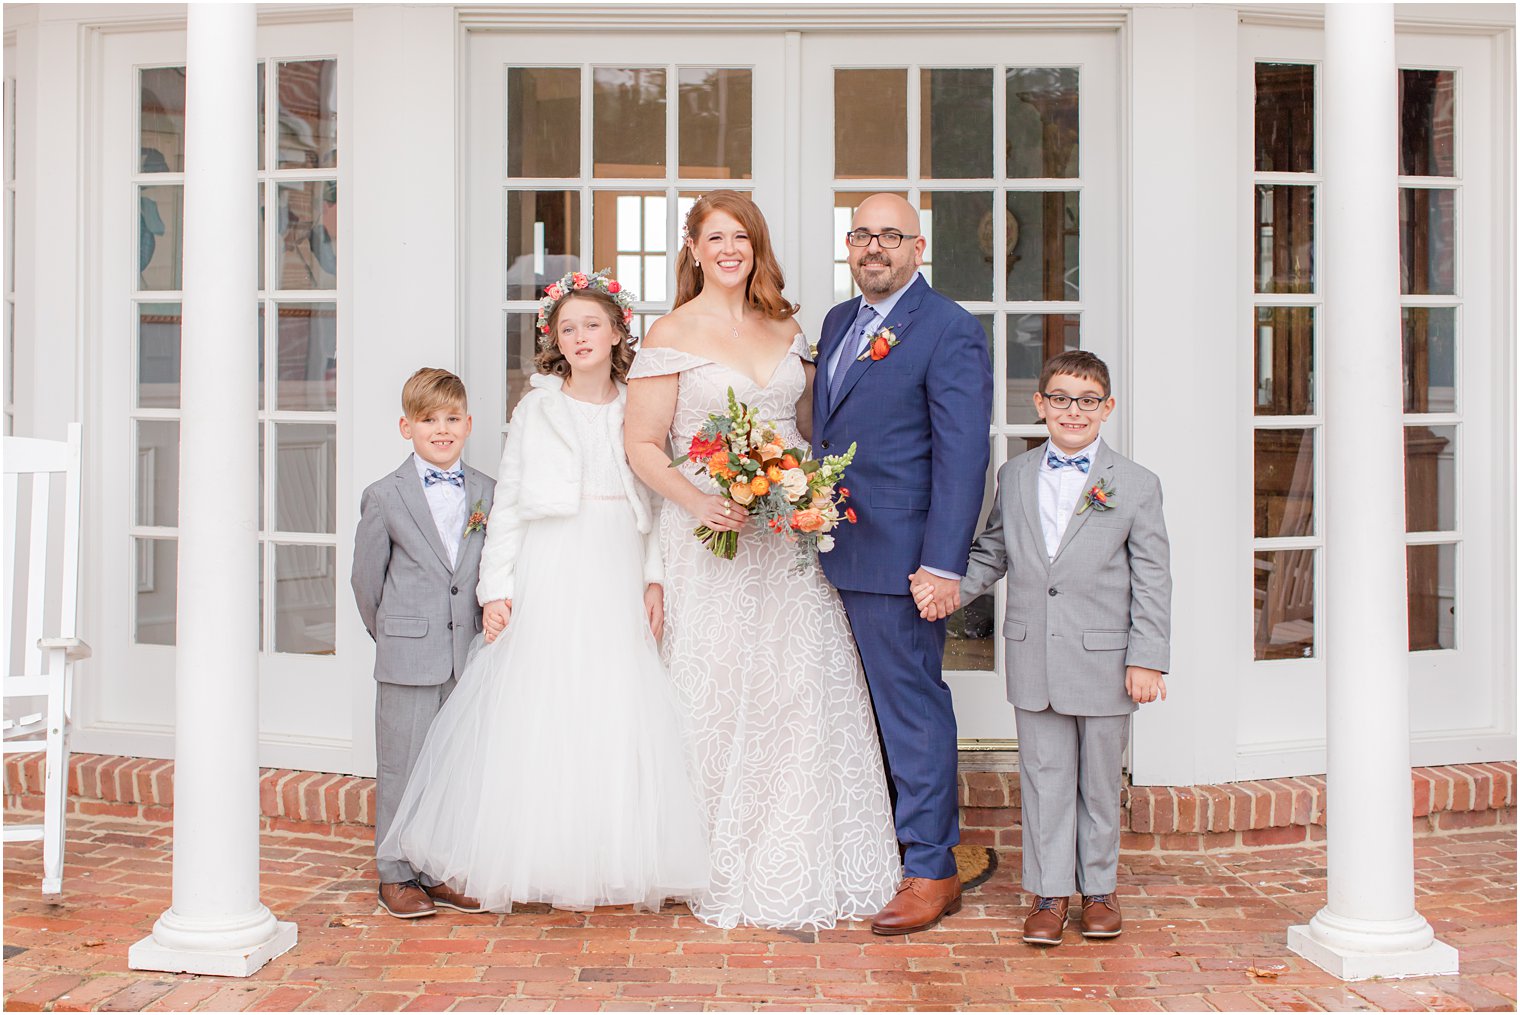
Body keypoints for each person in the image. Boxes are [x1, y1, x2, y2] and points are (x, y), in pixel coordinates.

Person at [376, 272, 709, 914]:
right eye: (567, 328)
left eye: (593, 325)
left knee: (616, 698)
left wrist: (654, 576)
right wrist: (495, 587)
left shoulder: (638, 403)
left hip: (616, 556)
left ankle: (612, 852)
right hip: (552, 558)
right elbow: (509, 506)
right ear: (554, 340)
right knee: (547, 700)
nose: (580, 337)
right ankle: (545, 852)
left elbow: (654, 501)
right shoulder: (537, 408)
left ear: (617, 333)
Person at [624, 191, 900, 930]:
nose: (728, 249)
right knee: (715, 694)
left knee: (798, 691)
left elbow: (813, 427)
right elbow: (643, 444)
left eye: (741, 236)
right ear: (693, 247)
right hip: (711, 538)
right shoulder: (671, 331)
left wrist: (803, 486)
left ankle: (798, 854)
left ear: (757, 247)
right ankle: (709, 855)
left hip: (785, 539)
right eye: (714, 237)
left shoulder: (787, 325)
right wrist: (698, 501)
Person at [918, 350, 1171, 946]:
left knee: (1099, 781)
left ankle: (1100, 890)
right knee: (1044, 778)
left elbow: (1154, 577)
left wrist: (1148, 657)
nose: (1073, 411)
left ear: (1106, 408)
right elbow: (994, 551)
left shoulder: (1135, 485)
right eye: (1060, 398)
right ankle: (1050, 894)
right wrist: (946, 588)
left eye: (1087, 401)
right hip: (1034, 656)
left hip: (1107, 660)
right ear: (1040, 405)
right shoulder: (1017, 475)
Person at [812, 193, 993, 935]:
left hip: (900, 562)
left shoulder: (947, 329)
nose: (874, 246)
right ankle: (883, 847)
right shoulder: (835, 323)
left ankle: (932, 867)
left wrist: (943, 565)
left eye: (892, 234)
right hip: (829, 552)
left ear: (919, 247)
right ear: (849, 245)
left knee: (911, 712)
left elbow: (962, 455)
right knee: (858, 716)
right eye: (862, 234)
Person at [351, 368, 497, 919]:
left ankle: (436, 870)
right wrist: (392, 634)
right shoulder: (384, 496)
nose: (442, 429)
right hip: (408, 652)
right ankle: (395, 873)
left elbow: (484, 572)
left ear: (468, 424)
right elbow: (367, 583)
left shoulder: (487, 491)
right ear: (405, 427)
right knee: (403, 767)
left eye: (452, 419)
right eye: (428, 420)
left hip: (468, 653)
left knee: (450, 767)